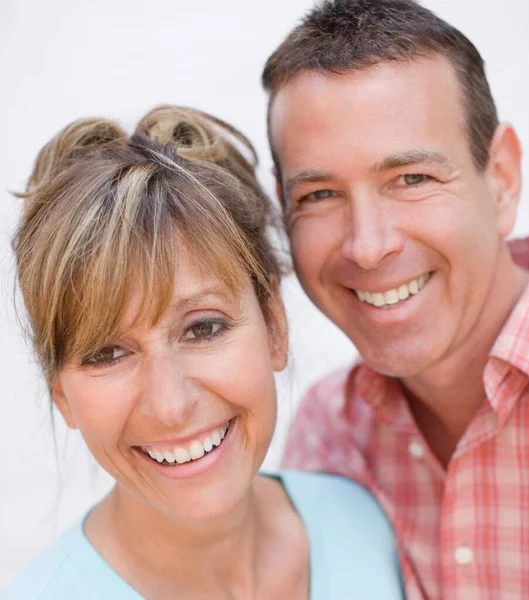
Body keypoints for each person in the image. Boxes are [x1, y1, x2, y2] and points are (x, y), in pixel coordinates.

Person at [1, 105, 403, 599]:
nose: (170, 406)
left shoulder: (368, 527)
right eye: (107, 354)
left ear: (274, 323)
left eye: (203, 328)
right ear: (59, 390)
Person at [261, 0, 529, 598]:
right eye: (320, 193)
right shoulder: (328, 439)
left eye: (412, 179)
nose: (367, 247)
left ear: (500, 178)